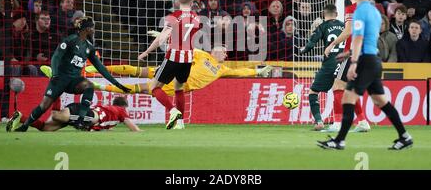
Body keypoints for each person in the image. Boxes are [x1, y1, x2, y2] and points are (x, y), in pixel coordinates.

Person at [42, 46, 273, 129]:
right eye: (222, 50)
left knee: (133, 89)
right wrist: (164, 44)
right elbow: (181, 51)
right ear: (214, 51)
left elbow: (239, 72)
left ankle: (93, 82)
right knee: (134, 69)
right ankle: (92, 70)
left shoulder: (222, 69)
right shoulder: (201, 55)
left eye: (225, 52)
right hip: (169, 73)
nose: (225, 53)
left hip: (174, 86)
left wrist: (257, 71)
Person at [318, 0, 413, 150]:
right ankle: (404, 137)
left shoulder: (359, 12)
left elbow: (358, 37)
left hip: (364, 60)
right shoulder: (376, 12)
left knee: (347, 96)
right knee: (380, 101)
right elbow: (373, 37)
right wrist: (350, 53)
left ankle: (339, 140)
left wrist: (353, 61)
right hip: (374, 59)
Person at [10, 17, 131, 132]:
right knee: (44, 106)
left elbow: (102, 69)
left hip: (74, 81)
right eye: (92, 27)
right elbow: (56, 57)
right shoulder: (70, 40)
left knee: (89, 85)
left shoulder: (89, 48)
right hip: (60, 78)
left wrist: (117, 84)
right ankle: (25, 125)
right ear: (87, 29)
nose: (94, 29)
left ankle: (80, 120)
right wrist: (55, 74)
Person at [137, 0, 200, 130]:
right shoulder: (196, 18)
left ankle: (173, 111)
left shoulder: (173, 17)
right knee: (179, 88)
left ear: (178, 2)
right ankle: (181, 123)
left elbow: (162, 39)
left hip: (173, 57)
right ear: (191, 3)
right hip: (188, 58)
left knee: (153, 87)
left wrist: (147, 52)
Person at [323, 0, 370, 133]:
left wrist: (332, 44)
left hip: (351, 53)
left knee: (337, 85)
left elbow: (348, 31)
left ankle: (337, 123)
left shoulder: (352, 8)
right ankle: (362, 121)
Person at [299, 4, 344, 131]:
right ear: (336, 14)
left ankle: (319, 121)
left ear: (324, 15)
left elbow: (311, 44)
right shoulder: (345, 26)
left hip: (330, 64)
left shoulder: (323, 26)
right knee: (346, 92)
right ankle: (357, 120)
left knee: (313, 92)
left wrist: (302, 51)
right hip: (345, 63)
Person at [7, 96, 140, 132]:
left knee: (45, 128)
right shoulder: (121, 110)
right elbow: (133, 128)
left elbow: (101, 126)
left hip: (81, 118)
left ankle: (21, 117)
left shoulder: (111, 112)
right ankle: (56, 91)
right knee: (56, 115)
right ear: (123, 107)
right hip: (84, 114)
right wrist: (141, 132)